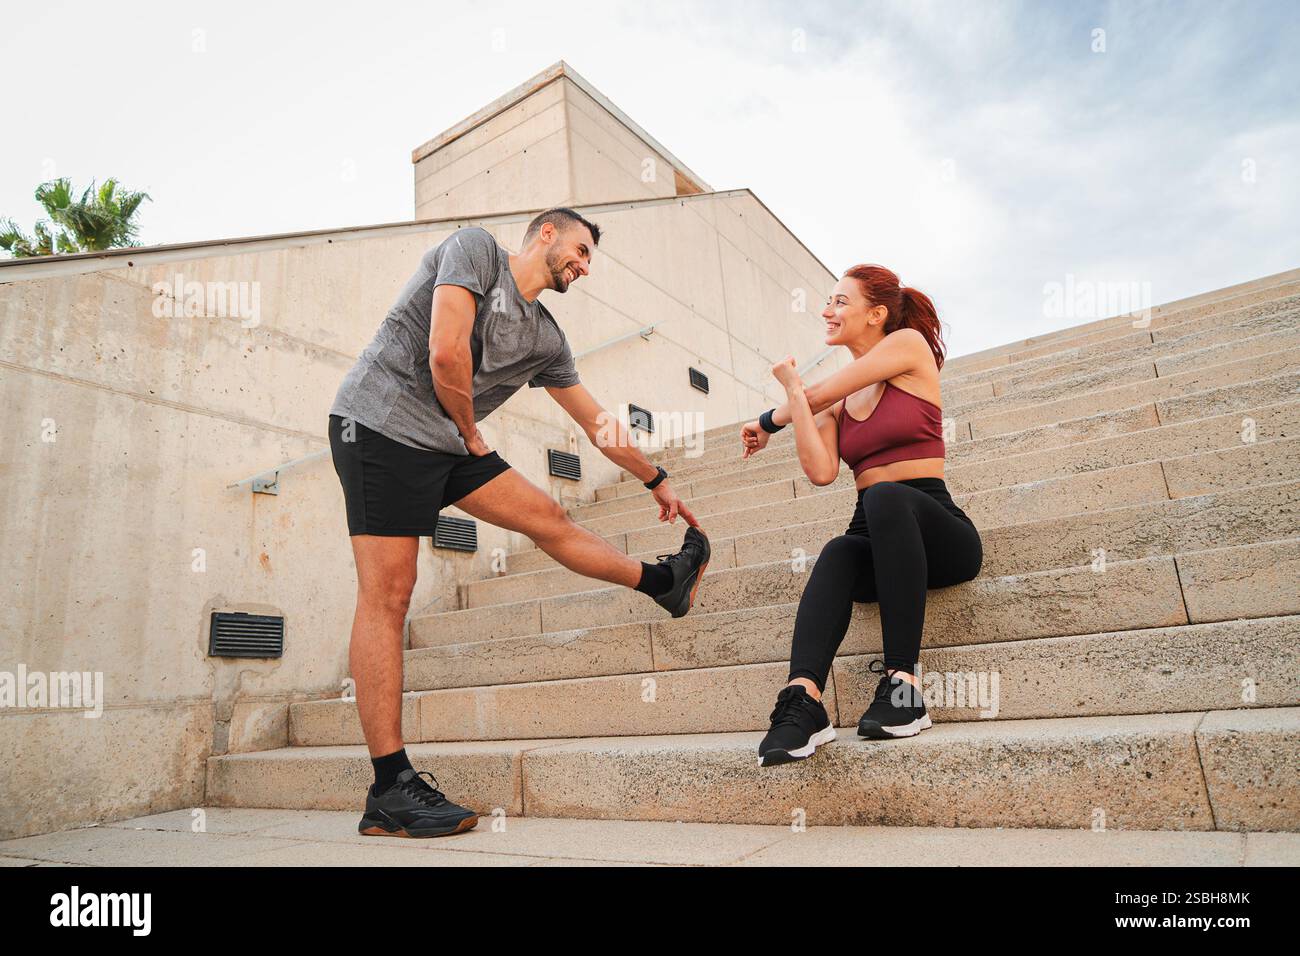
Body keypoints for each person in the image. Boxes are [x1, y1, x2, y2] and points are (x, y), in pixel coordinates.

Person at [327, 208, 710, 836]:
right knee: (389, 593)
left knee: (548, 516)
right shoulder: (475, 250)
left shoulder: (546, 338)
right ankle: (390, 786)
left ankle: (660, 582)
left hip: (451, 440)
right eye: (580, 249)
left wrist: (657, 478)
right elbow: (446, 354)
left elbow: (597, 423)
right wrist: (472, 432)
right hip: (380, 425)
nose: (583, 266)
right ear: (547, 233)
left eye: (591, 261)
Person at [741, 264, 982, 767]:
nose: (827, 311)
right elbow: (822, 471)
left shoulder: (908, 346)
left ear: (876, 314)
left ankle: (904, 687)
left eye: (839, 301)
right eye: (827, 302)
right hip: (877, 539)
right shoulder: (837, 400)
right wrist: (793, 406)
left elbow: (814, 393)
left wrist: (769, 421)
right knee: (839, 549)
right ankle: (803, 701)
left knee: (885, 496)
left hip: (937, 530)